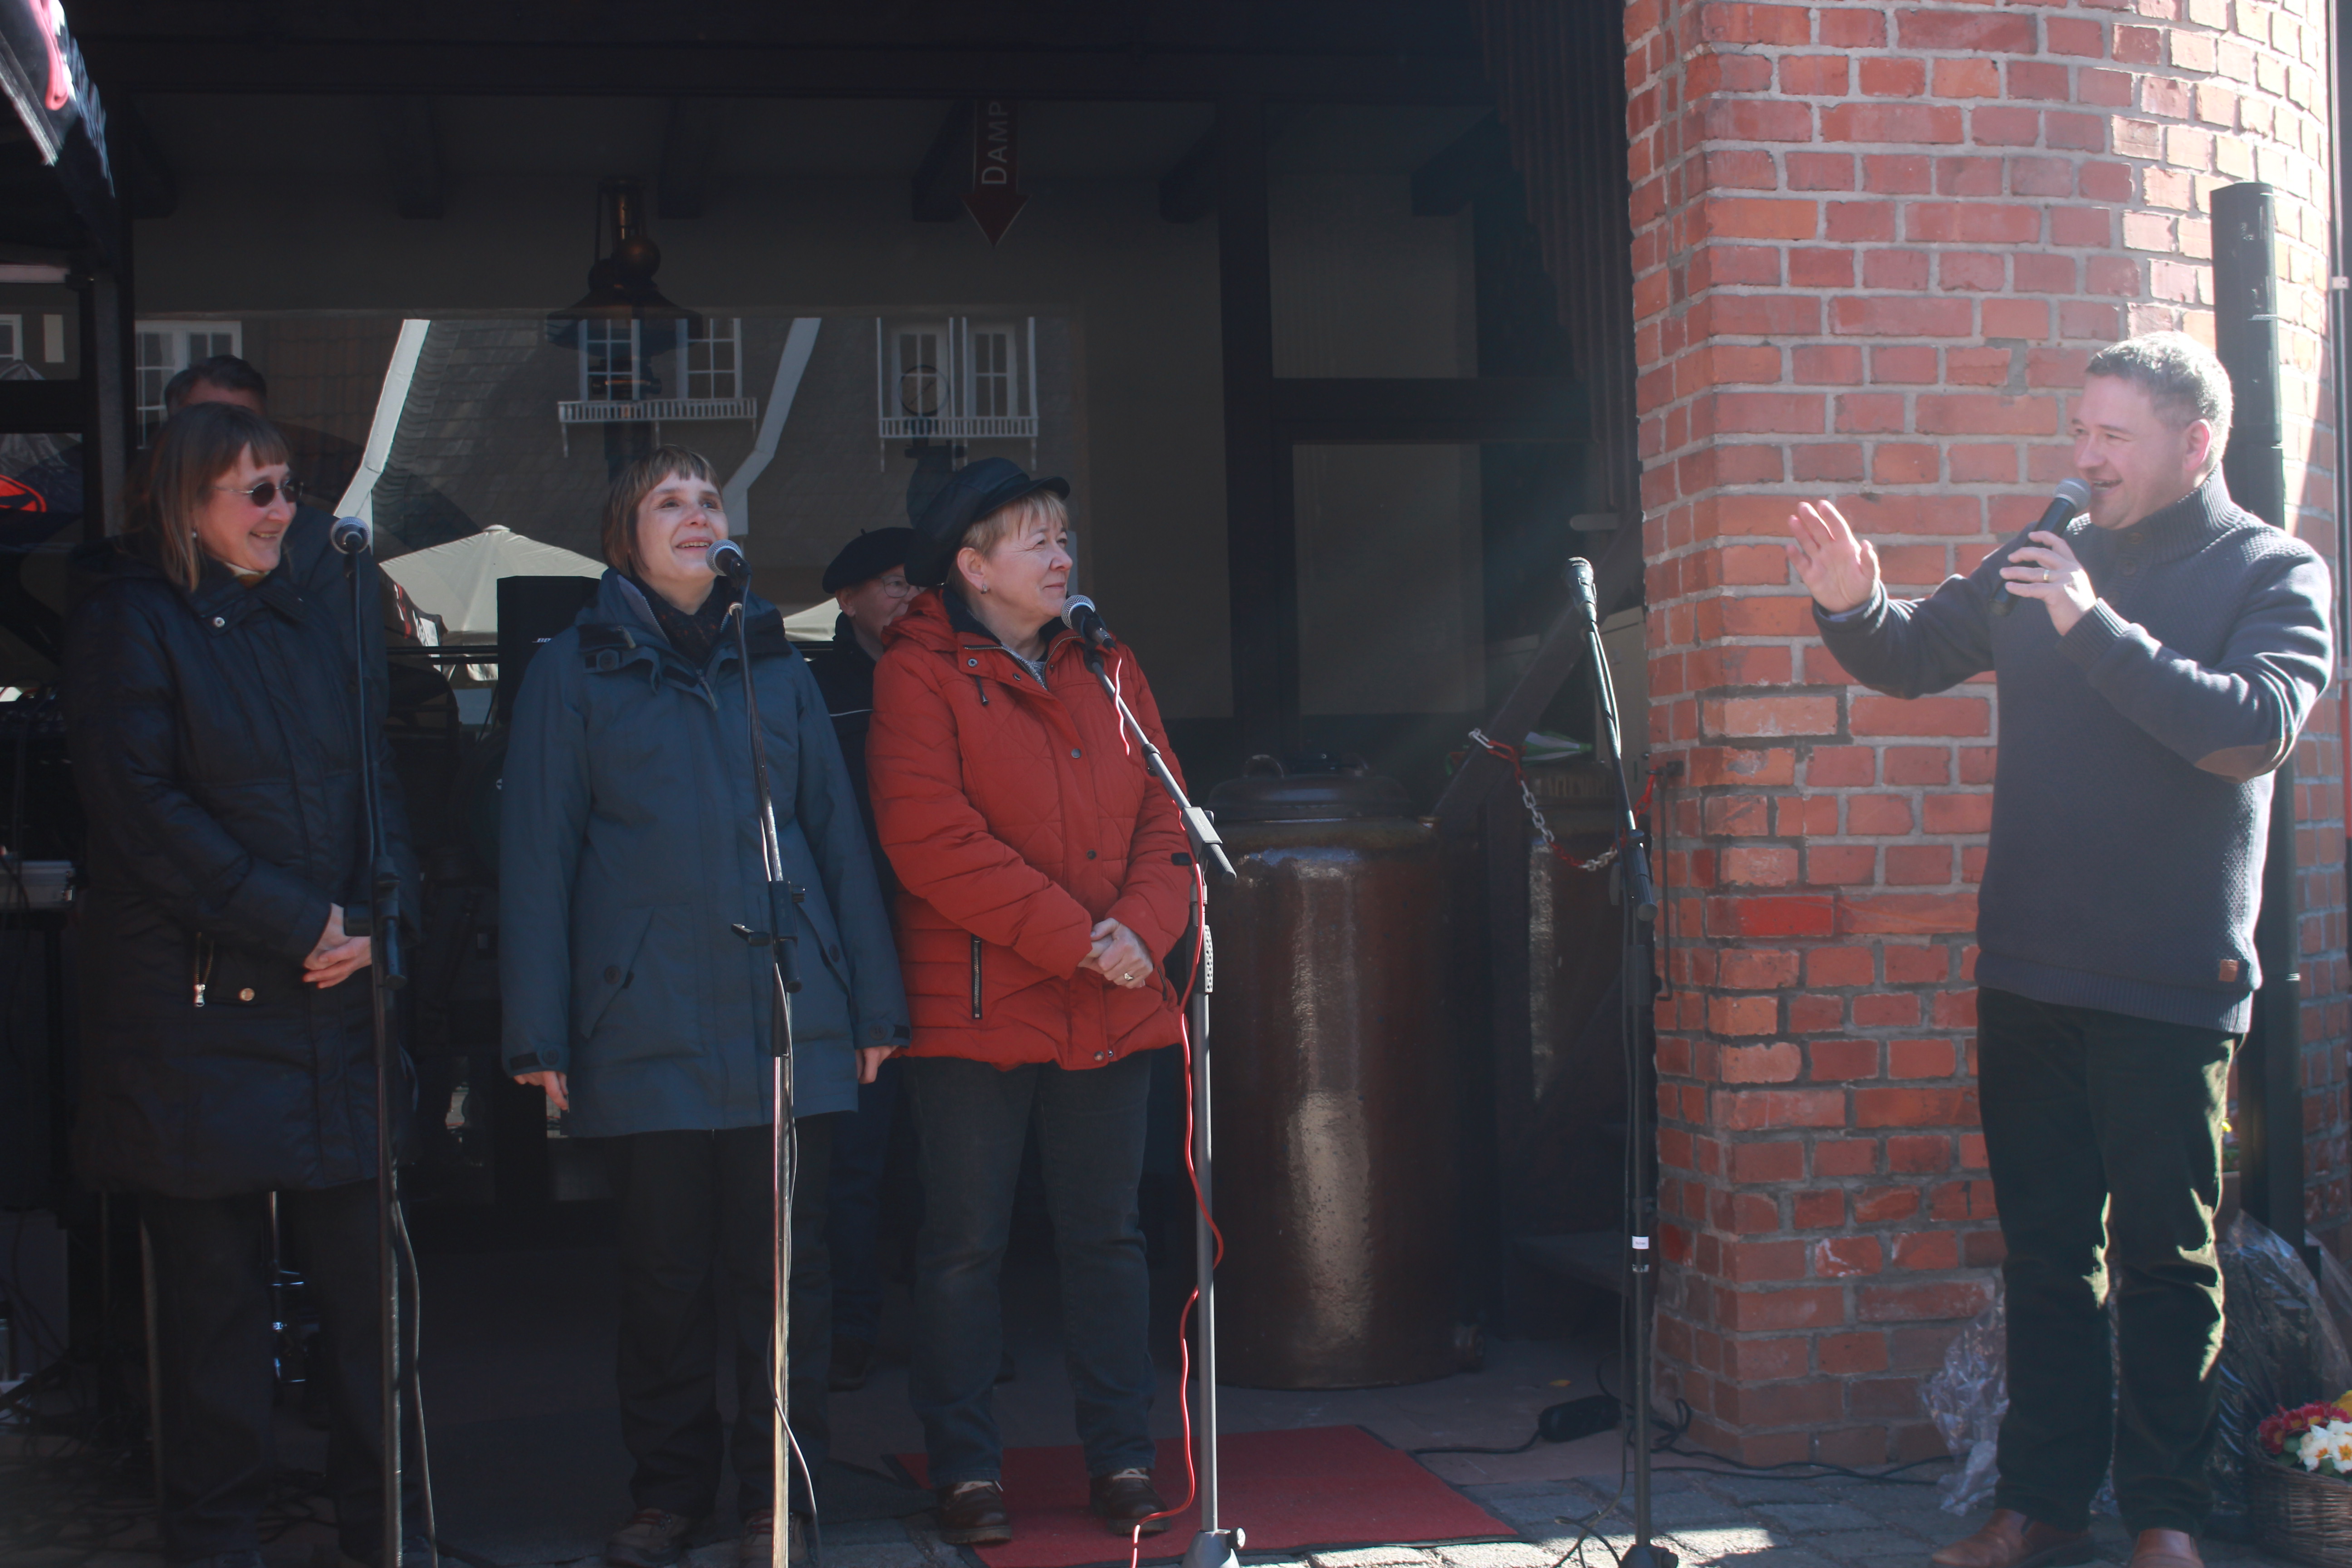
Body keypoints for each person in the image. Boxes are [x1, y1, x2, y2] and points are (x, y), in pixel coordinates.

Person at [1783, 332, 2332, 1568]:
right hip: (2026, 969)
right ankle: (2038, 1507)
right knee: (2045, 1260)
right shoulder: (2046, 551)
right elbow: (1918, 653)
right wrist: (1850, 601)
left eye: (2112, 438)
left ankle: (2168, 1522)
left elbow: (2248, 732)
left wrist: (2090, 625)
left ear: (2196, 444)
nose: (2084, 460)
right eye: (2077, 432)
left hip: (2169, 984)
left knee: (2168, 1264)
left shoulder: (2274, 570)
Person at [499, 447, 910, 1568]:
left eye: (708, 501)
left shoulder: (773, 662)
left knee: (790, 1280)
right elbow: (538, 856)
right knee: (664, 1277)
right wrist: (538, 1029)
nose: (695, 516)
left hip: (790, 1016)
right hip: (645, 1021)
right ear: (621, 538)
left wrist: (873, 1001)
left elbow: (838, 838)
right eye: (667, 503)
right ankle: (666, 1494)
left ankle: (779, 1493)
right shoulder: (570, 672)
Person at [60, 401, 429, 1568]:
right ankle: (216, 1546)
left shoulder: (319, 614)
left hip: (332, 1004)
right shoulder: (129, 624)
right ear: (186, 504)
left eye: (289, 488)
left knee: (371, 1317)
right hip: (200, 1019)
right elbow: (143, 817)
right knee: (211, 1323)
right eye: (255, 492)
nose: (284, 513)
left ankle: (387, 1537)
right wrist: (297, 919)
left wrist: (378, 917)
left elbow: (382, 781)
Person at [867, 458, 1193, 1545]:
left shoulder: (1107, 663)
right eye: (1035, 539)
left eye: (1064, 537)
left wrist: (1143, 932)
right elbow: (931, 842)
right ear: (972, 568)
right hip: (977, 1010)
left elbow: (1167, 812)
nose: (1062, 555)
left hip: (1113, 994)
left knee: (1109, 1239)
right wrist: (1080, 942)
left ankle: (1124, 1459)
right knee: (964, 1246)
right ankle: (965, 1470)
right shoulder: (916, 674)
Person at [800, 527, 918, 1393]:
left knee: (946, 1161)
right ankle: (851, 1329)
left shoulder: (956, 674)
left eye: (920, 584)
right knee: (855, 1162)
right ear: (847, 599)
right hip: (854, 943)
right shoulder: (817, 690)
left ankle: (951, 1334)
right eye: (890, 584)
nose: (909, 598)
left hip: (946, 939)